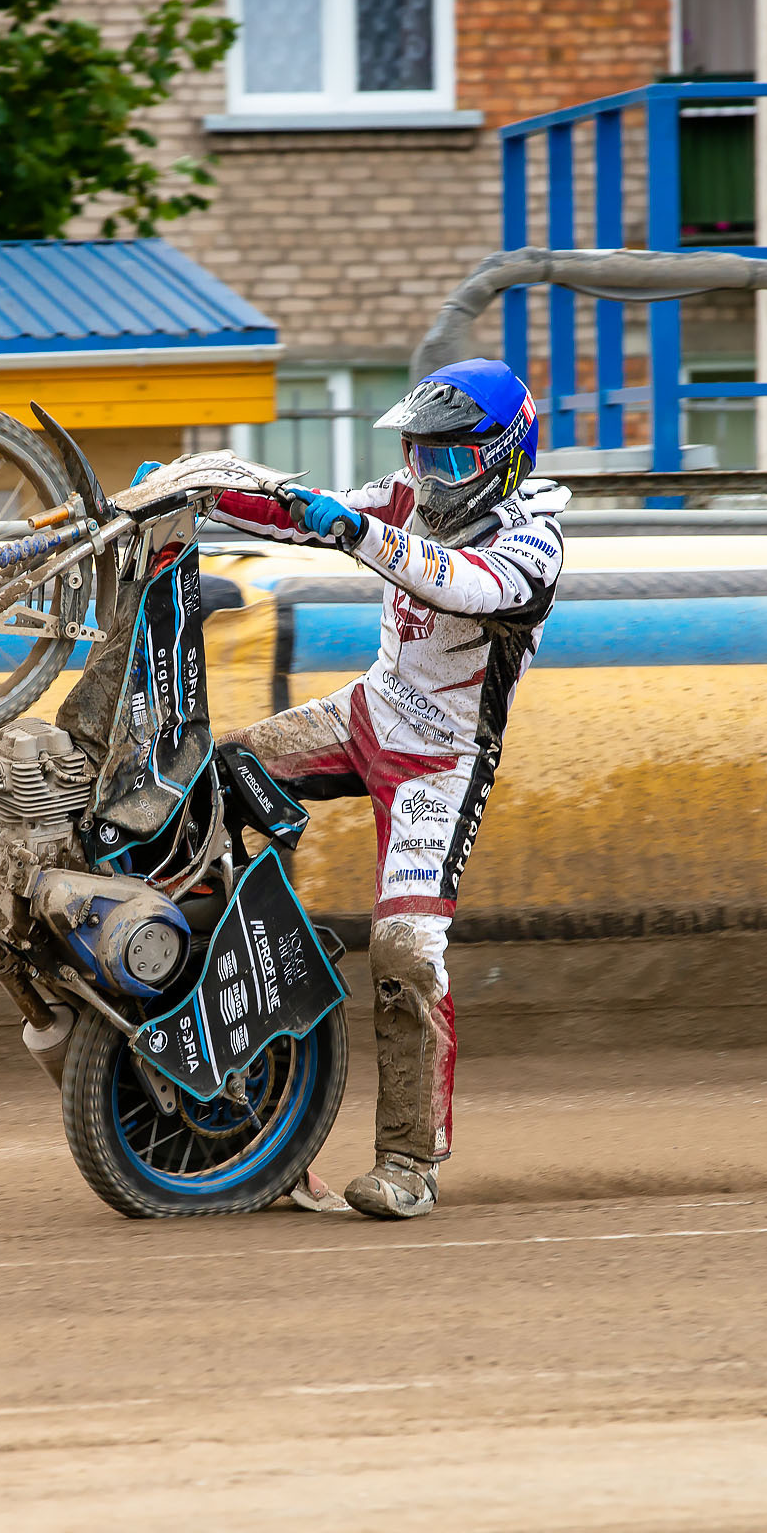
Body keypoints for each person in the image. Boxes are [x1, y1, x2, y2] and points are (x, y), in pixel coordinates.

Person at [203, 358, 565, 1220]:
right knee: (210, 781)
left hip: (441, 763)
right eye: (416, 455)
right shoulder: (404, 496)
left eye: (448, 461)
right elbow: (303, 515)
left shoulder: (532, 543)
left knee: (404, 950)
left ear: (505, 457)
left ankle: (408, 1161)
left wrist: (352, 532)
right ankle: (237, 1064)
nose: (426, 478)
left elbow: (454, 581)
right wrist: (197, 497)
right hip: (367, 711)